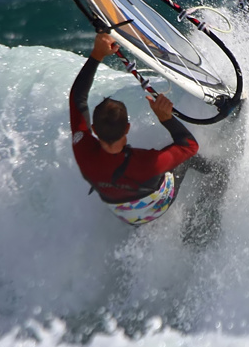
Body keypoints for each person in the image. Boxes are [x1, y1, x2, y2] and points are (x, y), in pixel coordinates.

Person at [69, 33, 199, 226]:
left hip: (122, 214)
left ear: (94, 129)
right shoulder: (148, 162)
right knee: (192, 160)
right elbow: (190, 146)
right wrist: (166, 119)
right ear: (127, 128)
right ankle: (218, 187)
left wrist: (97, 55)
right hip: (157, 207)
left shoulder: (83, 150)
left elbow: (77, 98)